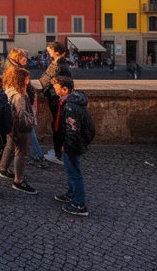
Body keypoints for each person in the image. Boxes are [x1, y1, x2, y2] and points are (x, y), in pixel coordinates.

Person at [53, 75, 95, 216]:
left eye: (56, 88)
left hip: (72, 144)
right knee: (73, 170)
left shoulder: (70, 106)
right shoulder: (73, 101)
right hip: (75, 142)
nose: (55, 90)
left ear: (65, 89)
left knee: (74, 173)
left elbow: (72, 130)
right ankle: (71, 194)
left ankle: (79, 204)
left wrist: (66, 145)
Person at [0, 66, 38, 194]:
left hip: (10, 126)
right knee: (22, 153)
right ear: (21, 80)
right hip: (20, 128)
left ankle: (3, 169)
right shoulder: (19, 96)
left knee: (9, 147)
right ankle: (18, 181)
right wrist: (30, 122)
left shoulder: (9, 89)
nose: (29, 80)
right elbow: (22, 117)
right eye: (27, 78)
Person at [39, 42, 73, 164]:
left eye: (50, 51)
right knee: (59, 125)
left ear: (56, 52)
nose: (48, 53)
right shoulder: (62, 63)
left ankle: (58, 154)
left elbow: (47, 80)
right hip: (59, 99)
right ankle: (60, 152)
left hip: (56, 100)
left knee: (58, 125)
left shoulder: (57, 64)